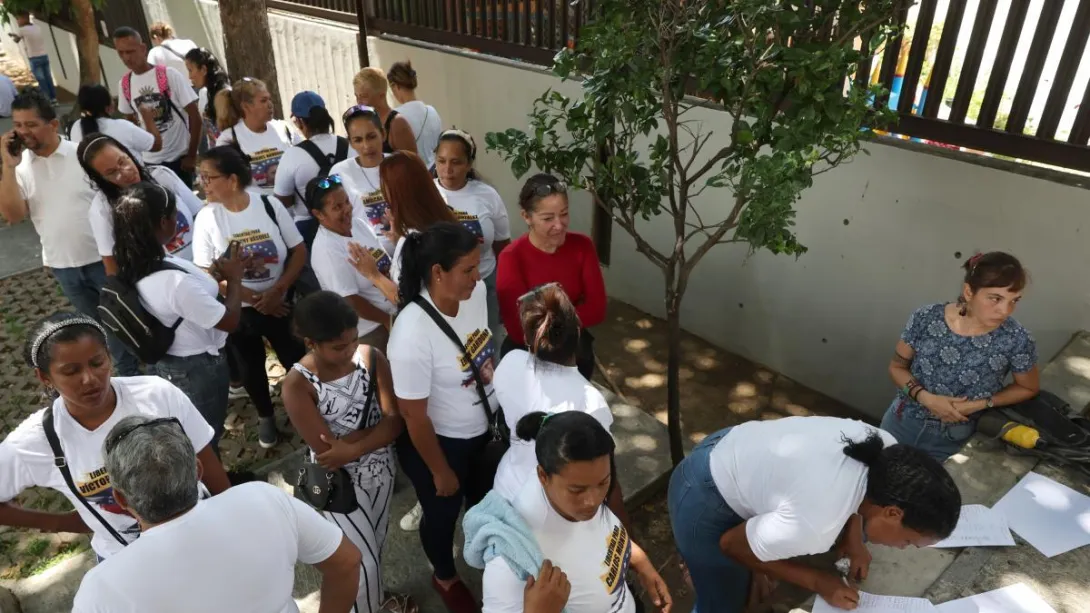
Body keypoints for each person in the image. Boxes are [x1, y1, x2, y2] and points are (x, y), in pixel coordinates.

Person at [668, 416, 962, 612]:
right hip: (704, 495)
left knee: (753, 573)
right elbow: (732, 545)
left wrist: (855, 540)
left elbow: (857, 488)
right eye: (908, 542)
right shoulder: (815, 525)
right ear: (893, 513)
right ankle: (695, 565)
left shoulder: (887, 448)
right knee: (723, 602)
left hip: (736, 448)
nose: (901, 548)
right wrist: (818, 581)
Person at [70, 415, 361, 613]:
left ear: (120, 498)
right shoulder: (263, 499)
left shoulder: (102, 589)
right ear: (198, 471)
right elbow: (347, 562)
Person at [0, 313, 230, 561]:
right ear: (45, 377)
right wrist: (66, 522)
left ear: (109, 356)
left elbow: (206, 458)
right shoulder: (34, 442)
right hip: (131, 558)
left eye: (97, 362)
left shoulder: (155, 394)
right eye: (71, 371)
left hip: (202, 529)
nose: (89, 379)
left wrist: (230, 513)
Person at [282, 291, 416, 613]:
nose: (350, 351)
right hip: (340, 484)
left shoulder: (371, 358)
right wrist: (377, 432)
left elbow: (396, 422)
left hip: (381, 470)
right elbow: (328, 452)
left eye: (354, 340)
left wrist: (354, 445)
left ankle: (373, 599)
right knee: (359, 560)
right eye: (339, 347)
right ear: (311, 342)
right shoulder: (298, 385)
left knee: (376, 546)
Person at [387, 222, 497, 611]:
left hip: (485, 432)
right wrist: (440, 470)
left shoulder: (476, 293)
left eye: (477, 266)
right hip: (440, 445)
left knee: (484, 502)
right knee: (442, 514)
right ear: (438, 272)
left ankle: (487, 555)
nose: (477, 276)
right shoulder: (412, 334)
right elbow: (414, 417)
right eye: (467, 269)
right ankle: (444, 574)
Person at [0, 90, 140, 377]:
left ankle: (135, 380)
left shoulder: (83, 155)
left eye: (31, 124)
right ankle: (128, 378)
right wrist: (8, 168)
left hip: (105, 262)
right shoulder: (21, 168)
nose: (23, 132)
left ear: (52, 125)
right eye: (18, 125)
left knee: (125, 326)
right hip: (64, 268)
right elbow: (13, 215)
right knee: (99, 329)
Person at [473, 412, 671, 613]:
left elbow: (601, 536)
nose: (593, 501)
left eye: (603, 483)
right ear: (543, 475)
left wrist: (639, 560)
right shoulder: (511, 560)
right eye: (577, 490)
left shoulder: (578, 488)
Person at [111, 182, 244, 451]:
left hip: (171, 364)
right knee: (204, 437)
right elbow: (230, 321)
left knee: (192, 433)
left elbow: (184, 295)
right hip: (195, 369)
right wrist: (235, 279)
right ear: (163, 222)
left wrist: (214, 274)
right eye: (175, 215)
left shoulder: (135, 261)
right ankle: (212, 487)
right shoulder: (173, 282)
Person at [192, 146, 307, 449]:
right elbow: (206, 271)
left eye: (208, 177)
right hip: (240, 310)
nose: (203, 184)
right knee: (250, 366)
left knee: (295, 357)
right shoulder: (206, 218)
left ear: (231, 179)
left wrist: (278, 290)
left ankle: (308, 408)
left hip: (280, 302)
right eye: (201, 177)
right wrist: (256, 298)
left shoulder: (268, 205)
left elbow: (298, 250)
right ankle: (265, 415)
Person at [880, 252, 1039, 461]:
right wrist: (925, 397)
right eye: (995, 298)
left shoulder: (1017, 339)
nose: (1005, 311)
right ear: (968, 292)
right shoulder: (925, 318)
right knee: (873, 482)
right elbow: (897, 367)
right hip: (901, 423)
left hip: (956, 440)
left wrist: (981, 404)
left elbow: (1028, 387)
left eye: (1014, 300)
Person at [492, 285, 619, 511]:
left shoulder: (510, 362)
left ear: (528, 337)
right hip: (553, 507)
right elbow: (602, 472)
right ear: (579, 332)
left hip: (506, 488)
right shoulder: (591, 402)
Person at [496, 174, 606, 380]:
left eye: (563, 214)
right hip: (527, 359)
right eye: (548, 218)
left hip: (575, 358)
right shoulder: (511, 257)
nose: (559, 224)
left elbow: (597, 309)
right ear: (526, 217)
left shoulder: (582, 246)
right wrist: (570, 319)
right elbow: (516, 328)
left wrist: (541, 321)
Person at [78, 134, 202, 275]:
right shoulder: (103, 209)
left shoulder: (161, 176)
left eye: (122, 161)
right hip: (166, 284)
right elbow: (112, 266)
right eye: (112, 172)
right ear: (101, 179)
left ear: (128, 153)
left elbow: (200, 216)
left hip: (201, 267)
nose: (125, 172)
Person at [434, 129, 510, 345]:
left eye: (456, 162)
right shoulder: (426, 193)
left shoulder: (487, 195)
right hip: (442, 288)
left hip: (484, 283)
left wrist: (505, 291)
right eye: (441, 161)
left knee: (488, 343)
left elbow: (503, 246)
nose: (447, 170)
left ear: (469, 164)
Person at [307, 175, 397, 350]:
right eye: (337, 207)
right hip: (374, 331)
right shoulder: (326, 249)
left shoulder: (358, 224)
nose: (347, 209)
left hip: (395, 313)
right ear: (318, 214)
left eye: (347, 201)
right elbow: (350, 301)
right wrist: (387, 321)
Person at [113, 27, 202, 188]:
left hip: (178, 159)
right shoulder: (124, 84)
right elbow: (131, 123)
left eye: (130, 51)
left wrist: (191, 155)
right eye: (121, 53)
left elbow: (195, 117)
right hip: (149, 163)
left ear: (143, 48)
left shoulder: (169, 75)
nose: (126, 57)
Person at [274, 91, 350, 247]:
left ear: (300, 122)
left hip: (311, 228)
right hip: (351, 219)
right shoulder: (349, 145)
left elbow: (282, 202)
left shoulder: (293, 155)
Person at [215, 78, 302, 197]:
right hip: (258, 211)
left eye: (269, 99)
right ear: (246, 106)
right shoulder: (228, 139)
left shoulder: (285, 128)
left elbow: (303, 164)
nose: (270, 105)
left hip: (293, 211)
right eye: (263, 100)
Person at [330, 104, 395, 254]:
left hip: (405, 252)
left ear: (383, 134)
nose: (366, 146)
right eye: (358, 140)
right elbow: (334, 217)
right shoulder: (338, 172)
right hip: (366, 257)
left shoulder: (400, 164)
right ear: (350, 142)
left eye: (371, 137)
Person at [69, 84, 161, 153]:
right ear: (107, 108)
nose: (114, 101)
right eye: (111, 98)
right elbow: (156, 145)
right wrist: (147, 119)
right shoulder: (122, 127)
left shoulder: (75, 127)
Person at [387, 61, 441, 168]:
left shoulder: (396, 117)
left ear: (395, 86)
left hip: (413, 172)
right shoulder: (432, 111)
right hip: (435, 172)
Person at [352, 67, 417, 156]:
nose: (359, 102)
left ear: (381, 96)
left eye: (364, 96)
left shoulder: (397, 123)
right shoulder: (365, 122)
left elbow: (413, 164)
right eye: (357, 96)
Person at [183, 47, 231, 143]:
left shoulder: (225, 95)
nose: (189, 76)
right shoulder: (203, 94)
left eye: (190, 70)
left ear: (203, 70)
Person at [10, 13, 55, 104]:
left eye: (18, 19)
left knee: (41, 80)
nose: (17, 21)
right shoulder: (37, 27)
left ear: (24, 19)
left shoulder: (22, 30)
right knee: (48, 78)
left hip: (34, 58)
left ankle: (47, 100)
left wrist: (13, 35)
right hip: (44, 56)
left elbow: (16, 40)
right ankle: (53, 98)